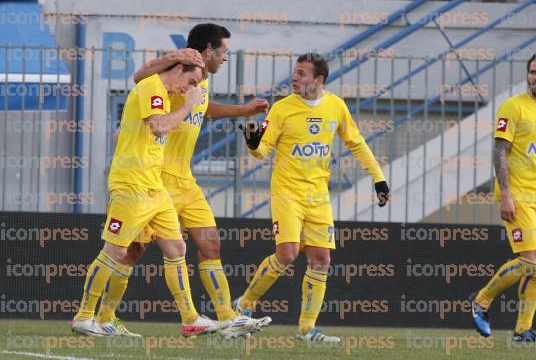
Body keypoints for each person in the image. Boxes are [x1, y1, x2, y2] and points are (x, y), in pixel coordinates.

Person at [94, 24, 271, 338]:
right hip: (156, 178)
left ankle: (229, 320)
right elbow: (140, 79)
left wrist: (243, 110)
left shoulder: (198, 85)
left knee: (210, 244)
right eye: (224, 51)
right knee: (131, 251)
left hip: (186, 181)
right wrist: (169, 59)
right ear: (207, 50)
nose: (226, 58)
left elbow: (204, 110)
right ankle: (105, 316)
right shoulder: (174, 80)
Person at [234, 52, 391, 342]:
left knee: (321, 259)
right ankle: (243, 306)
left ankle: (306, 330)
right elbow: (262, 151)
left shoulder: (336, 106)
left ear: (318, 80)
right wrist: (252, 143)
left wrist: (378, 178)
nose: (295, 78)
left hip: (318, 196)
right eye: (295, 73)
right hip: (287, 193)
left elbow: (356, 143)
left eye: (302, 73)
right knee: (288, 253)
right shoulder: (281, 109)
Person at [71, 61, 222, 338]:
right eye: (191, 82)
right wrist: (188, 104)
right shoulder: (151, 88)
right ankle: (84, 316)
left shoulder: (163, 93)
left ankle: (190, 318)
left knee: (177, 248)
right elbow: (158, 127)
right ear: (178, 70)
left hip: (154, 185)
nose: (190, 89)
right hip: (132, 185)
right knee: (115, 251)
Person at [471, 50, 536, 342]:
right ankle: (480, 301)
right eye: (533, 72)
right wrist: (505, 195)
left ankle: (522, 330)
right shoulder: (512, 108)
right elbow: (499, 151)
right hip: (518, 196)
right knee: (528, 261)